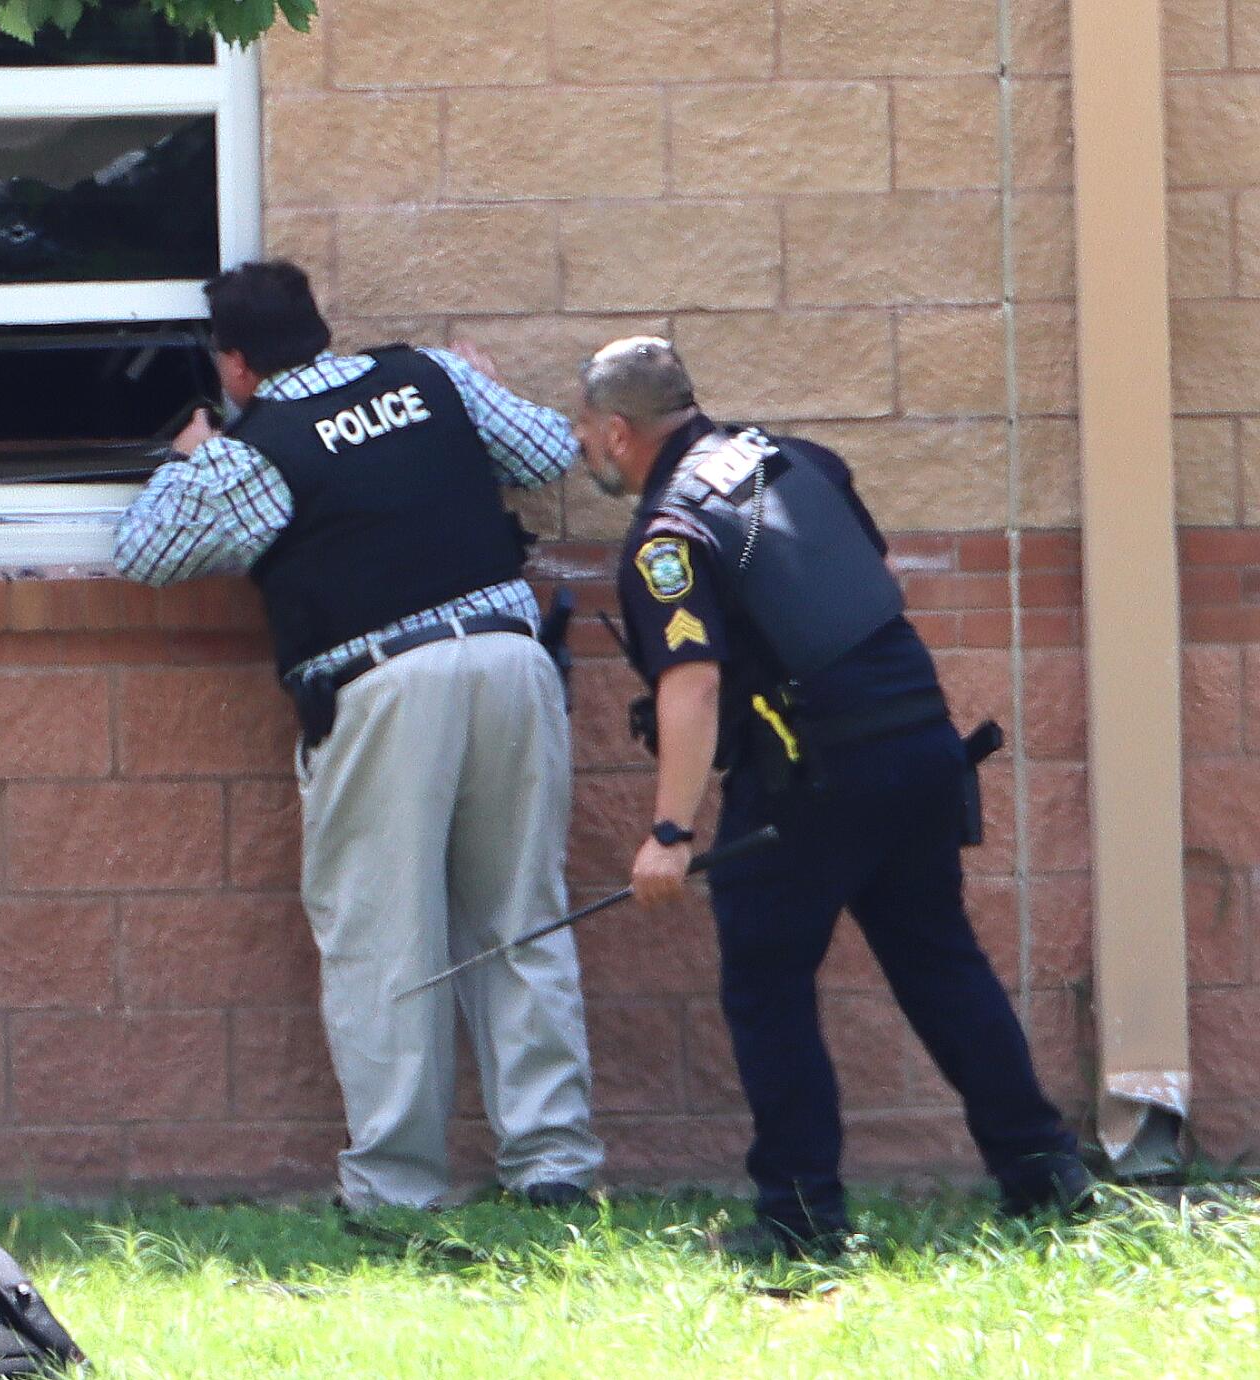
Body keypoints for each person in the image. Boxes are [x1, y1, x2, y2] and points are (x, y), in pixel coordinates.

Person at [114, 260, 605, 1211]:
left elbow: (145, 554)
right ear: (320, 327)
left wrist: (190, 453)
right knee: (523, 918)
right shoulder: (433, 376)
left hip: (381, 685)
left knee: (384, 941)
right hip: (510, 661)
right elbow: (552, 451)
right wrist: (486, 383)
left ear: (236, 364)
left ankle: (395, 1187)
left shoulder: (254, 448)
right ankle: (552, 1167)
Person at [584, 336, 1090, 1256]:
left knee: (768, 986)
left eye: (587, 431)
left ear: (619, 431)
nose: (586, 448)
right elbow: (868, 581)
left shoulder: (669, 536)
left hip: (811, 781)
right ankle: (1041, 1169)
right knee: (940, 962)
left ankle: (800, 1216)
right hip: (922, 746)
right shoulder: (796, 459)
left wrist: (669, 829)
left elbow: (690, 683)